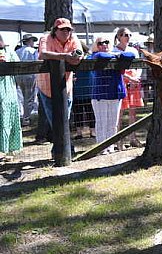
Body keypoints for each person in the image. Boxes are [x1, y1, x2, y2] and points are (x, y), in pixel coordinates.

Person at [36, 18, 83, 157]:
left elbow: (80, 52)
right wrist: (64, 56)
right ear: (55, 30)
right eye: (62, 29)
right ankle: (64, 151)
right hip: (46, 87)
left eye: (68, 29)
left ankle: (61, 150)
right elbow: (42, 54)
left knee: (65, 118)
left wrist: (76, 58)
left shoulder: (74, 39)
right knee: (54, 120)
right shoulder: (45, 38)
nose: (66, 32)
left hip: (66, 86)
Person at [89, 35, 132, 154]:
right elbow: (100, 56)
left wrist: (116, 55)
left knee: (113, 123)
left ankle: (110, 146)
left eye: (107, 42)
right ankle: (101, 147)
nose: (104, 45)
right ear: (96, 46)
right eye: (101, 43)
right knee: (101, 122)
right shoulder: (94, 56)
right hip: (100, 95)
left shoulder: (116, 54)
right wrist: (116, 55)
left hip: (115, 93)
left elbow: (130, 55)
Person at [113, 27, 144, 148]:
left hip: (134, 82)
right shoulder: (114, 50)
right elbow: (116, 69)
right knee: (119, 112)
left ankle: (133, 138)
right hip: (121, 81)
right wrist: (128, 78)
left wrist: (136, 77)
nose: (128, 37)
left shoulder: (133, 50)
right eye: (125, 35)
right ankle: (118, 140)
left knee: (133, 112)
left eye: (130, 35)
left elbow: (139, 65)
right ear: (119, 36)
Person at [0, 34, 23, 160]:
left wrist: (6, 64)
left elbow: (18, 66)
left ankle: (9, 149)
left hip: (8, 90)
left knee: (9, 118)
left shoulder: (8, 51)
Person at [15, 33, 39, 126]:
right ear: (29, 41)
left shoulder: (18, 51)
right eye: (32, 40)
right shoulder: (33, 51)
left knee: (20, 95)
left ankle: (21, 115)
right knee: (29, 97)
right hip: (30, 75)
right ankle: (26, 118)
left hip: (19, 75)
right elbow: (37, 62)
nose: (33, 42)